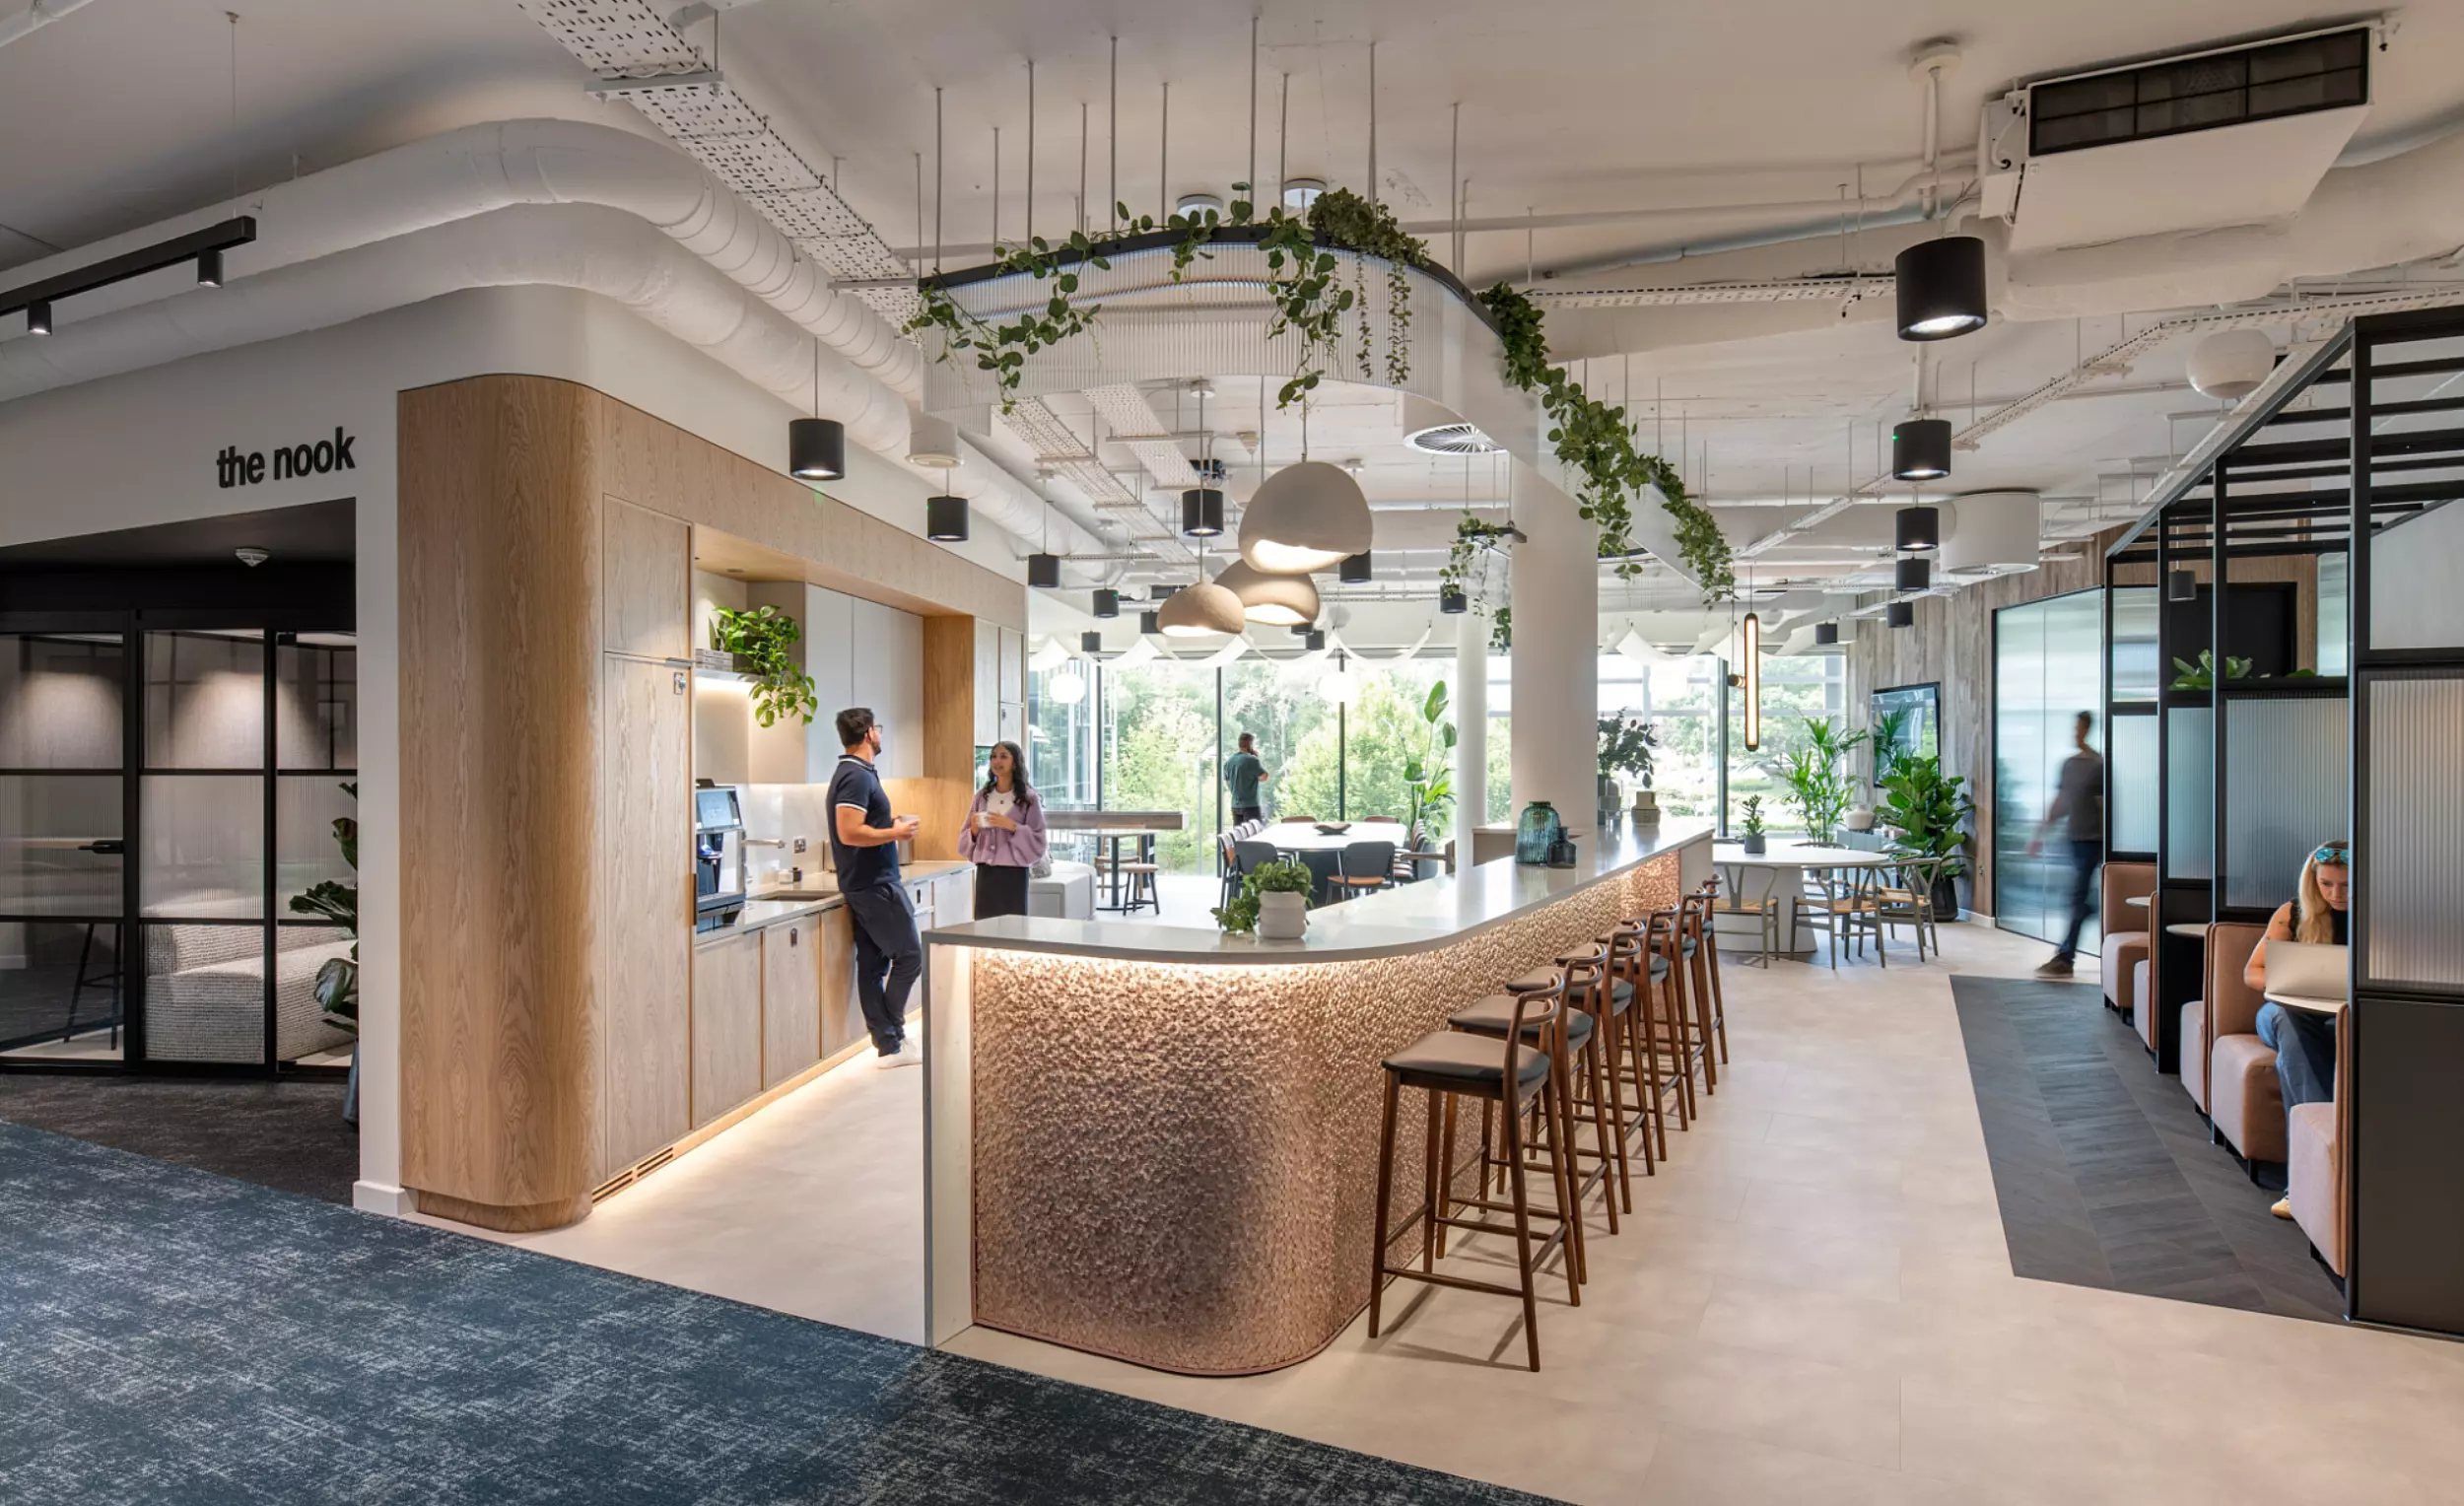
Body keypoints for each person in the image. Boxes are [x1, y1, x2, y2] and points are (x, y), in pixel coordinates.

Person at [2245, 840, 2350, 1218]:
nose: (2335, 894)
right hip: (2282, 1011)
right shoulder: (2292, 913)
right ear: (2313, 881)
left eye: (2347, 885)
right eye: (2326, 884)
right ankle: (2327, 1161)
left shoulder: (2380, 920)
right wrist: (2289, 984)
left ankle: (2304, 1184)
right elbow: (2252, 972)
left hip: (2337, 1019)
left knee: (2296, 1051)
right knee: (2290, 1023)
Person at [828, 707, 924, 1069]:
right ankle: (894, 1033)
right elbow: (849, 831)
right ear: (868, 733)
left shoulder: (859, 773)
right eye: (877, 728)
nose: (879, 734)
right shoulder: (855, 776)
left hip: (866, 882)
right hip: (875, 884)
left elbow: (860, 824)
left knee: (872, 967)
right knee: (910, 957)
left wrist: (888, 824)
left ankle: (889, 1046)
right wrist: (894, 833)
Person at [2027, 711, 2104, 979]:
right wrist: (2039, 834)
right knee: (2076, 899)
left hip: (2093, 842)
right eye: (2074, 728)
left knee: (2076, 897)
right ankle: (2089, 911)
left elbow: (2104, 806)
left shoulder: (2098, 765)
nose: (2075, 733)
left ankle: (2065, 958)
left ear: (2088, 730)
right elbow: (2061, 801)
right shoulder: (2070, 764)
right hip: (2073, 839)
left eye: (2079, 728)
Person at [957, 740, 1047, 921]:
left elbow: (1039, 839)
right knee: (984, 926)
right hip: (986, 873)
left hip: (1014, 874)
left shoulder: (1029, 798)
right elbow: (963, 840)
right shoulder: (981, 796)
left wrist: (1012, 826)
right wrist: (973, 830)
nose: (997, 761)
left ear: (1015, 763)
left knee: (1013, 928)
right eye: (993, 756)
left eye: (1003, 756)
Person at [1224, 732, 1270, 826]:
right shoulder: (1252, 760)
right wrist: (1256, 758)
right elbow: (1264, 777)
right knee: (1254, 834)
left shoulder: (1229, 762)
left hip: (1235, 806)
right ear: (1250, 744)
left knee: (1239, 834)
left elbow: (1228, 783)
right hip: (1251, 806)